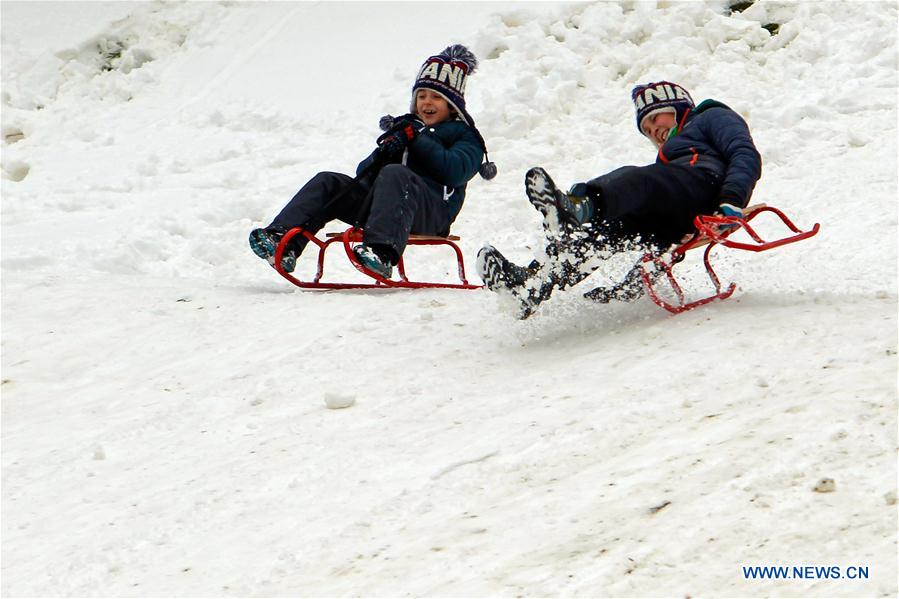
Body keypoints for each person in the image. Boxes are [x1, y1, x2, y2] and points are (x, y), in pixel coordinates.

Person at [477, 80, 762, 318]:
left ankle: (576, 208)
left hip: (704, 188)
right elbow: (667, 248)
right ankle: (530, 287)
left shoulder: (711, 117)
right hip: (677, 211)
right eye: (647, 130)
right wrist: (629, 288)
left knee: (638, 179)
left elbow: (744, 153)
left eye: (655, 118)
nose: (654, 131)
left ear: (678, 107)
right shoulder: (669, 162)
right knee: (604, 233)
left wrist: (731, 199)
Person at [249, 44, 495, 277]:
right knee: (329, 181)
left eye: (436, 98)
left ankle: (381, 253)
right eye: (422, 96)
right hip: (384, 210)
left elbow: (455, 170)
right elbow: (363, 174)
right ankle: (283, 242)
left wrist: (416, 141)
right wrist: (385, 151)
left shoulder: (467, 137)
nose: (427, 103)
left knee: (396, 174)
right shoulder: (406, 128)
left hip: (431, 214)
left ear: (452, 106)